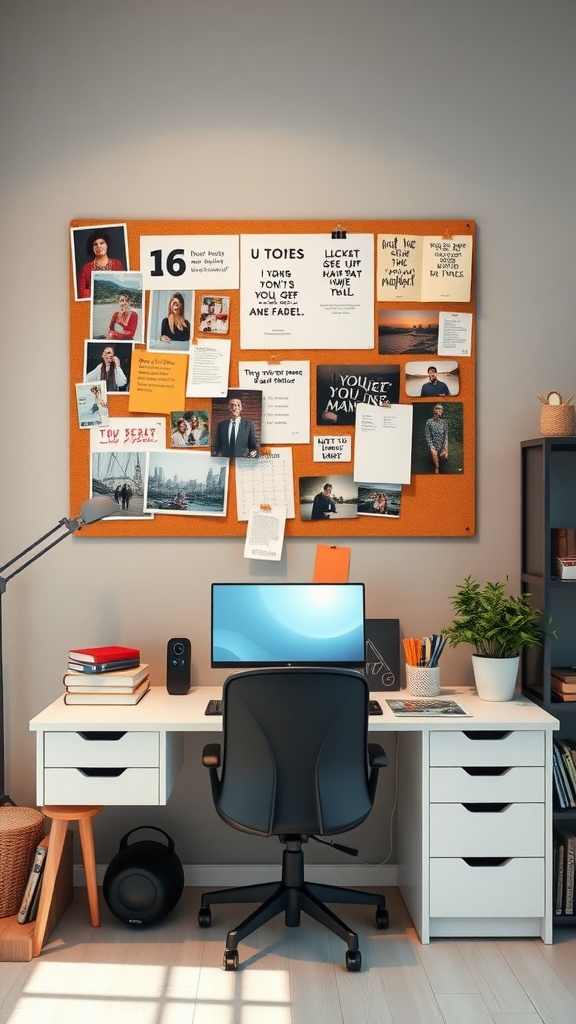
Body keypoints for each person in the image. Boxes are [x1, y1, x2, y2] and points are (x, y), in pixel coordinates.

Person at [78, 229, 124, 299]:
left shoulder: (117, 263)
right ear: (92, 248)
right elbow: (82, 291)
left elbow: (122, 284)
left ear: (107, 245)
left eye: (102, 243)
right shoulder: (86, 267)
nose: (98, 246)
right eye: (95, 244)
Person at [425, 403, 449, 473]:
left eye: (441, 409)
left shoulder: (444, 422)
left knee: (443, 460)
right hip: (433, 445)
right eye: (437, 408)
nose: (439, 410)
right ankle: (436, 468)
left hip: (442, 445)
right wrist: (431, 447)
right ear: (434, 410)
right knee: (435, 464)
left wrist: (445, 447)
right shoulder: (429, 422)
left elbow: (446, 435)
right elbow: (428, 435)